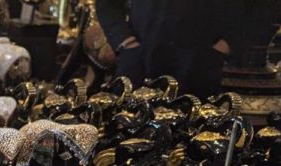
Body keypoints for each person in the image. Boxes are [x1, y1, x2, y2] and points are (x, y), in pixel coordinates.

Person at [95, 0, 244, 97]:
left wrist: (224, 45)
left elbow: (253, 8)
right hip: (141, 58)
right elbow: (107, 5)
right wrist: (125, 42)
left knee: (196, 132)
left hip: (201, 61)